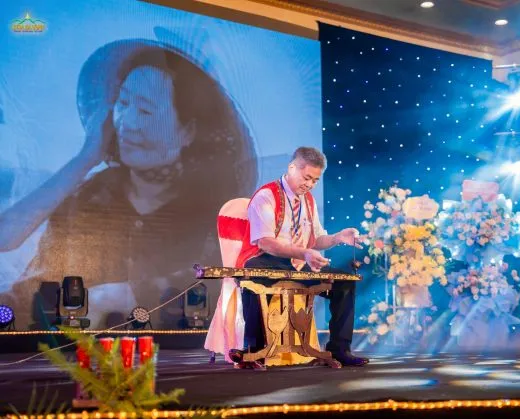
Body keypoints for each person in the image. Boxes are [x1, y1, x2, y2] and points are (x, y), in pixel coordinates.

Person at [0, 35, 257, 329]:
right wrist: (86, 156)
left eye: (146, 111)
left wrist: (129, 293)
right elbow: (29, 281)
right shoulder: (85, 198)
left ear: (188, 132)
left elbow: (226, 286)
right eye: (123, 103)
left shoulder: (216, 214)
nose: (128, 123)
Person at [229, 147, 369, 367]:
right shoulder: (266, 196)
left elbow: (315, 239)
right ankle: (253, 350)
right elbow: (265, 242)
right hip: (266, 257)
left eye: (315, 180)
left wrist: (337, 238)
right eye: (307, 178)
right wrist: (303, 252)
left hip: (298, 262)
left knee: (344, 283)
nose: (310, 184)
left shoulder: (308, 200)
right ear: (292, 168)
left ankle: (339, 349)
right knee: (254, 276)